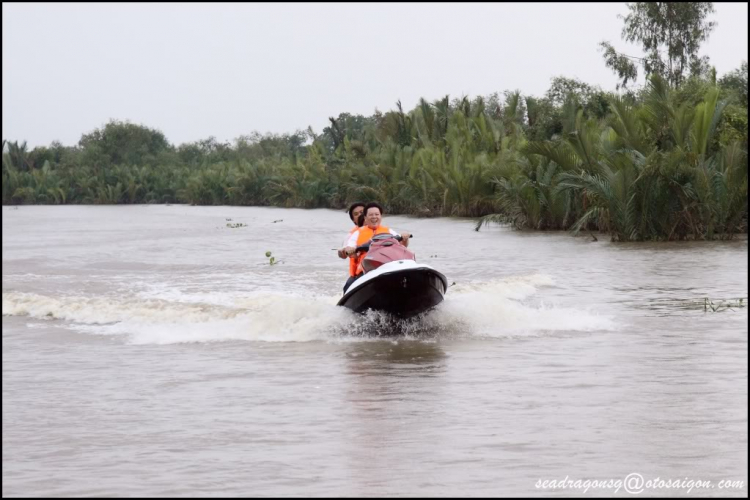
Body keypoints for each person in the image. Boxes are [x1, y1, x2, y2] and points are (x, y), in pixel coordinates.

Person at [342, 202, 411, 292]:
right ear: (365, 218)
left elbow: (402, 245)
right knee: (349, 285)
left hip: (387, 264)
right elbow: (350, 246)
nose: (374, 217)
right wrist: (349, 249)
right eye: (371, 215)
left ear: (381, 216)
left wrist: (405, 238)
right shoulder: (357, 233)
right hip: (365, 269)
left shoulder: (388, 230)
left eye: (376, 214)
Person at [337, 202, 365, 292]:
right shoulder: (351, 236)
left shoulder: (383, 230)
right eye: (356, 214)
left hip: (382, 267)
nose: (360, 215)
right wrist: (344, 251)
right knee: (348, 286)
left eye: (362, 212)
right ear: (354, 220)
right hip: (361, 272)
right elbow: (343, 254)